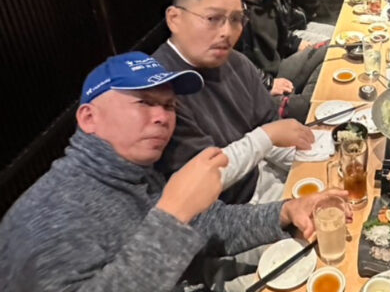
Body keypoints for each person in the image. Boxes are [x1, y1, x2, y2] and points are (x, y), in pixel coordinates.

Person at [0, 51, 349, 291]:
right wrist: (172, 214)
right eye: (144, 102)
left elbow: (208, 225)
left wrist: (286, 211)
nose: (162, 117)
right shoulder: (47, 216)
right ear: (89, 118)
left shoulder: (136, 171)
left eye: (168, 105)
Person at [154, 0, 317, 205]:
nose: (227, 32)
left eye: (236, 19)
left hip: (263, 178)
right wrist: (266, 137)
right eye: (213, 18)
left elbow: (270, 130)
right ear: (174, 19)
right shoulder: (156, 89)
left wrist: (314, 158)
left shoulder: (236, 62)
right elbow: (200, 181)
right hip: (225, 211)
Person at [215, 0, 332, 122]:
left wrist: (297, 44)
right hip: (246, 87)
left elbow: (279, 33)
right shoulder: (227, 3)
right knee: (312, 107)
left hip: (275, 69)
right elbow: (225, 62)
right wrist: (267, 84)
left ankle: (301, 99)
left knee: (335, 50)